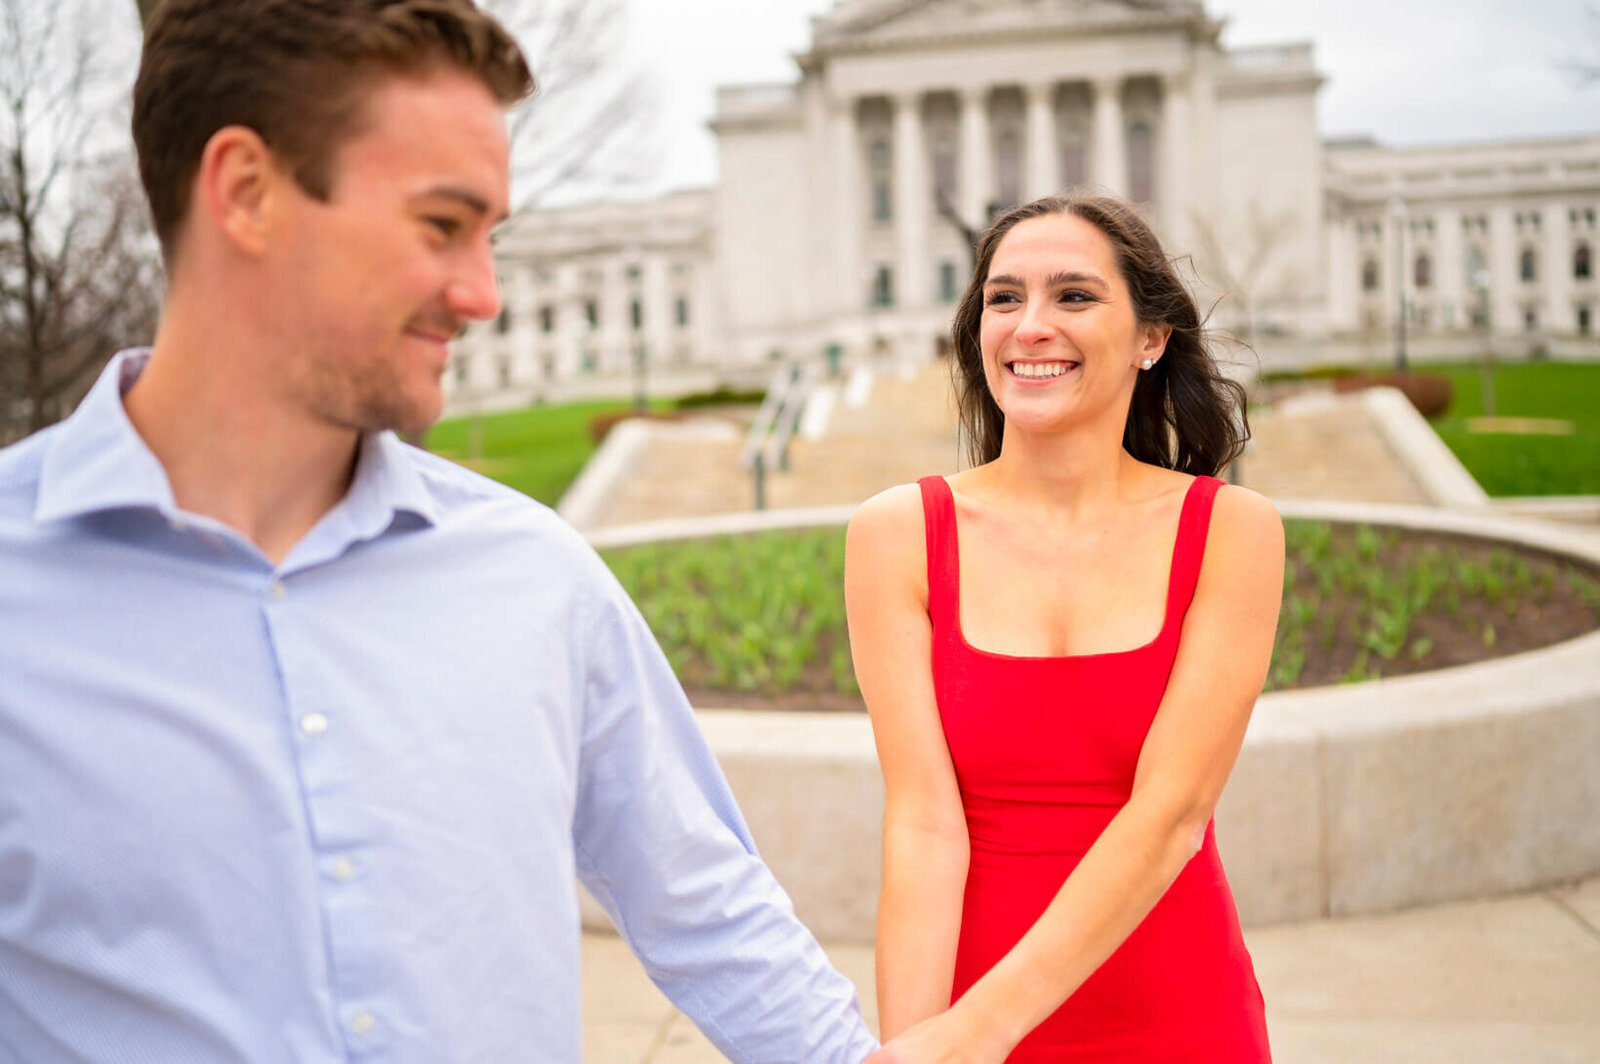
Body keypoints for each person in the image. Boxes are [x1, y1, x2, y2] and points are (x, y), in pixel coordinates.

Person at [0, 2, 877, 1061]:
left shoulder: (539, 578)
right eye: (441, 226)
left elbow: (712, 909)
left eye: (490, 238)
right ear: (245, 191)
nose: (484, 295)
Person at [844, 193, 1284, 1063]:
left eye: (1074, 297)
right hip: (966, 1018)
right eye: (1004, 299)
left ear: (1151, 339)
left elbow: (1171, 816)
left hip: (1178, 1013)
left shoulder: (1231, 531)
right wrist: (918, 1044)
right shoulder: (897, 533)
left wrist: (975, 1032)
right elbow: (925, 823)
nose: (1030, 326)